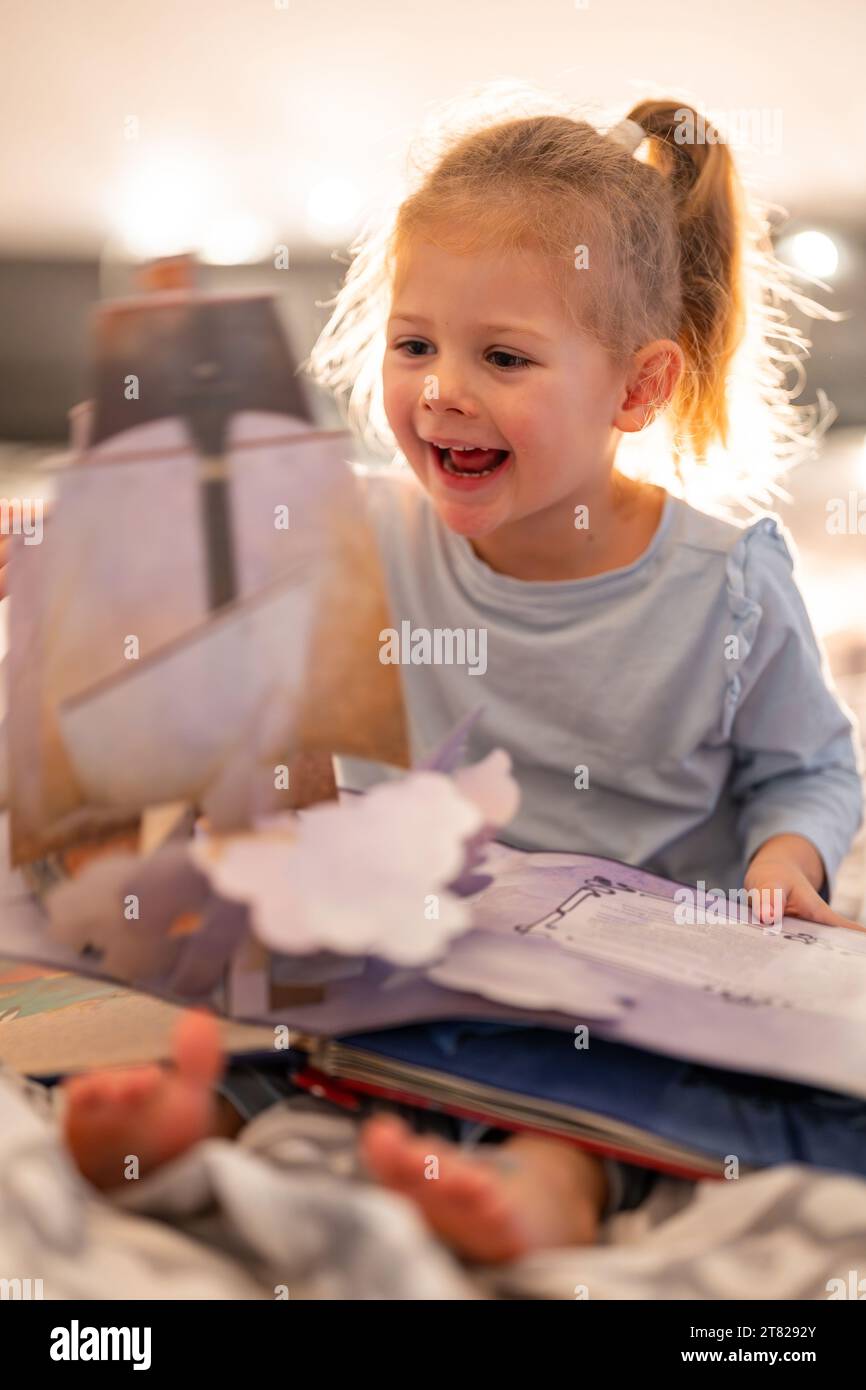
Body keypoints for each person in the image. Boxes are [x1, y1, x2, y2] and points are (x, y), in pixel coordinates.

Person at [60, 90, 863, 1264]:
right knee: (263, 1017)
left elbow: (806, 769)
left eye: (502, 357)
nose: (440, 389)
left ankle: (540, 1194)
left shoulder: (724, 584)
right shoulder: (365, 536)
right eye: (414, 344)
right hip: (410, 951)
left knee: (588, 1120)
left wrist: (783, 865)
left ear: (635, 390)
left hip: (618, 985)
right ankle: (188, 1125)